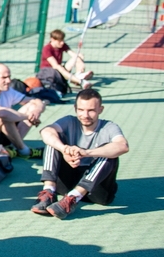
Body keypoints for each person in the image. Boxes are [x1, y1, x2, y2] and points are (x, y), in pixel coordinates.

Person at [31, 89, 128, 219]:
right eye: (81, 110)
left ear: (100, 109)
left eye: (91, 110)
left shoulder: (109, 127)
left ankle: (73, 198)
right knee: (53, 140)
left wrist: (87, 153)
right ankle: (48, 192)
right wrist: (64, 149)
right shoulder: (69, 121)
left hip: (96, 190)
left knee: (110, 153)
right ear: (75, 108)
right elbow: (45, 131)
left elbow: (123, 146)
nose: (85, 115)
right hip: (67, 181)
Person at [38, 29, 93, 93]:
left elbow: (72, 54)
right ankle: (80, 81)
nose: (62, 43)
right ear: (52, 39)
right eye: (59, 41)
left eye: (63, 40)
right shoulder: (47, 49)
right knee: (59, 67)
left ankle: (78, 75)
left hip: (59, 69)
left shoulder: (62, 45)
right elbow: (55, 65)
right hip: (49, 72)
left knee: (77, 57)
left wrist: (79, 57)